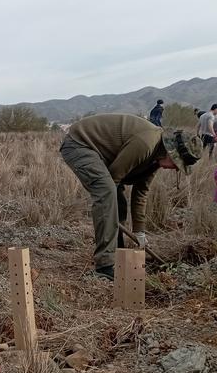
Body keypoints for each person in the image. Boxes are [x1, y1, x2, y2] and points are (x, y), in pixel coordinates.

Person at [59, 114, 203, 279]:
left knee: (117, 201)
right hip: (80, 144)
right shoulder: (146, 144)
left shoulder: (156, 157)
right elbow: (113, 179)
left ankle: (117, 253)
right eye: (178, 164)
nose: (177, 169)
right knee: (107, 193)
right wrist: (111, 214)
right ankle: (105, 266)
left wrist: (139, 231)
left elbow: (141, 191)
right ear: (171, 153)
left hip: (101, 154)